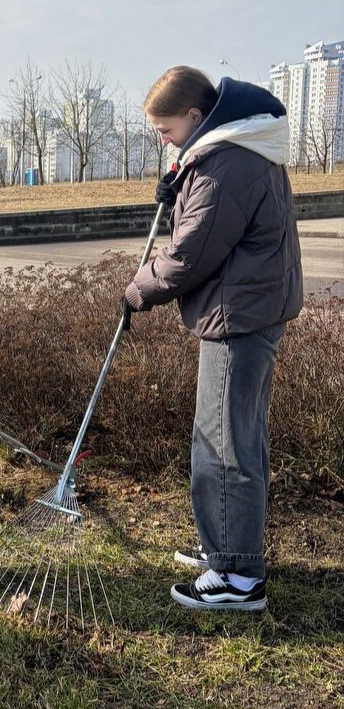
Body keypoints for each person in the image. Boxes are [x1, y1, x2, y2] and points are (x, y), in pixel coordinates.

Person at [124, 66, 303, 611]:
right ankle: (224, 545)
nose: (163, 140)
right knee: (236, 436)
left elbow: (189, 254)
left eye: (166, 130)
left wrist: (137, 290)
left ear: (195, 116)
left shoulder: (225, 163)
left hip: (238, 315)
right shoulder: (235, 150)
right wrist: (179, 188)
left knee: (223, 444)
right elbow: (207, 230)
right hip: (250, 308)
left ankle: (236, 577)